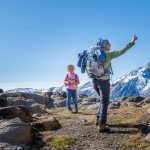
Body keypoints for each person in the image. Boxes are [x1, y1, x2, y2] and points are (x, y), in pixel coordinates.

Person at [91, 35, 138, 132]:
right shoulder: (108, 54)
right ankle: (102, 125)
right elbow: (122, 51)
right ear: (104, 45)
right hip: (103, 81)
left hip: (94, 80)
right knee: (104, 102)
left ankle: (98, 120)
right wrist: (132, 41)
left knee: (102, 101)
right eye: (108, 43)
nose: (110, 45)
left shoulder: (95, 55)